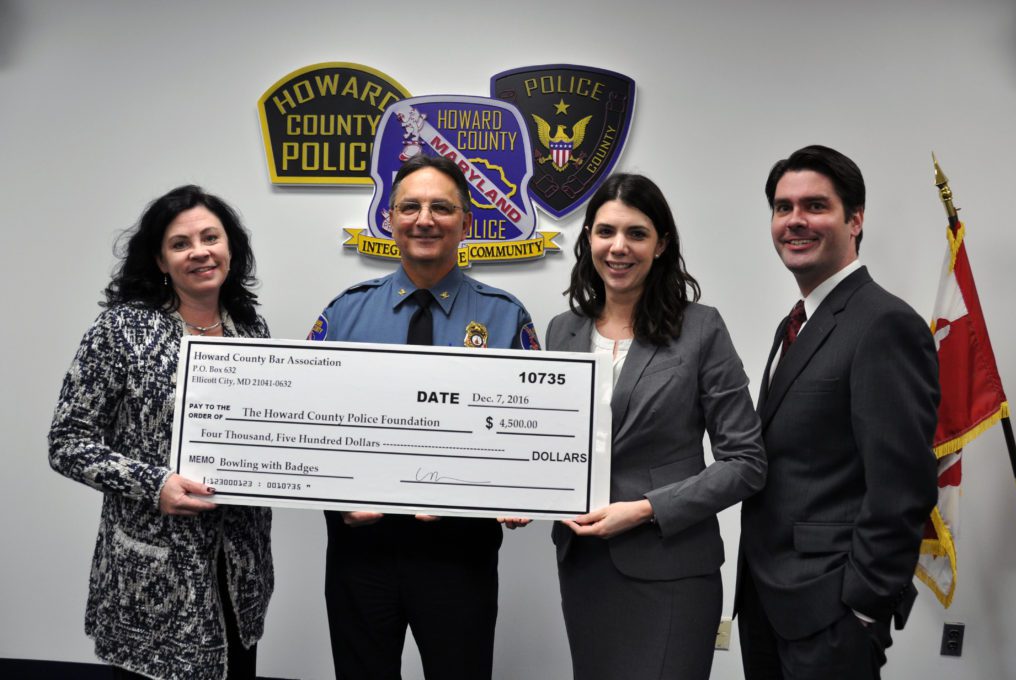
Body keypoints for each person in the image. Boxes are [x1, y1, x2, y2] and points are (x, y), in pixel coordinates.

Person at [308, 154, 538, 680]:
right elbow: (309, 430)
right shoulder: (344, 313)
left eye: (441, 207)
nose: (424, 219)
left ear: (466, 223)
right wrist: (335, 499)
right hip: (361, 550)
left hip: (460, 552)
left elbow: (525, 431)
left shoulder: (505, 316)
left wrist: (523, 486)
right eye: (409, 207)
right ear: (390, 220)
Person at [545, 173, 767, 680]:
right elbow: (551, 443)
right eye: (605, 232)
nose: (618, 247)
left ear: (661, 244)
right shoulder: (563, 329)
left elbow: (746, 463)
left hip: (671, 571)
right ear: (588, 241)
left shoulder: (701, 328)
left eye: (636, 233)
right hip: (584, 568)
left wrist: (645, 510)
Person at [48, 186, 274, 680]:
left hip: (237, 571)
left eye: (211, 237)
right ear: (160, 260)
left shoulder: (251, 330)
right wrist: (154, 485)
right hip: (152, 576)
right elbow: (67, 441)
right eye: (180, 243)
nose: (200, 251)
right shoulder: (120, 330)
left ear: (230, 247)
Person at [736, 145, 940, 679]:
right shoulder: (797, 323)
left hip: (831, 615)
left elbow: (904, 486)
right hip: (767, 604)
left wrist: (864, 607)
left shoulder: (884, 324)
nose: (795, 221)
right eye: (783, 208)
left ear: (855, 220)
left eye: (814, 206)